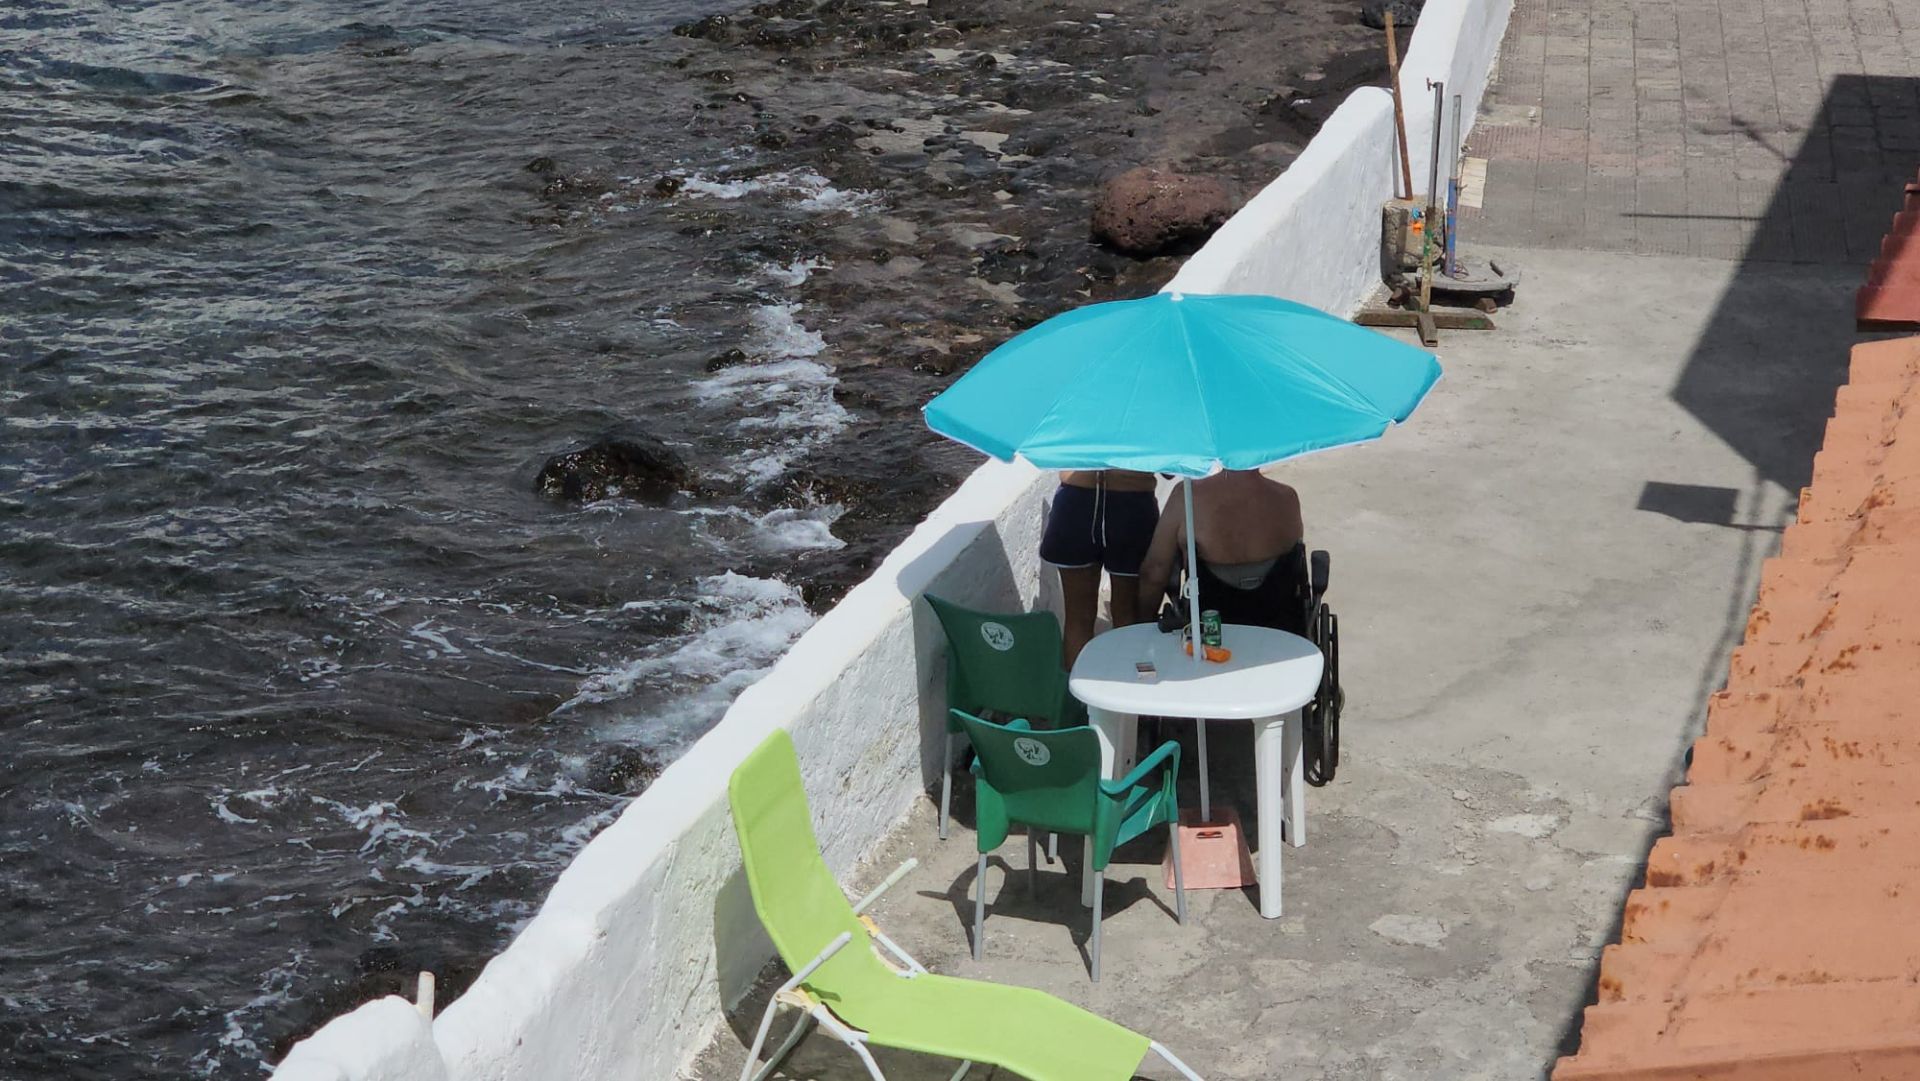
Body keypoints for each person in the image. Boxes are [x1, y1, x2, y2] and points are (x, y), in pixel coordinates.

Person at [1135, 470, 1307, 633]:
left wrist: (1143, 623)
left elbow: (1155, 572)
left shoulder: (1187, 497)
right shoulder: (1288, 498)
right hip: (1282, 627)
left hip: (1208, 630)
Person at [1039, 469, 1161, 667]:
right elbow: (1170, 467)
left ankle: (1076, 685)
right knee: (1127, 616)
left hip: (1075, 501)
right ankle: (1124, 682)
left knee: (1078, 618)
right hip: (1131, 504)